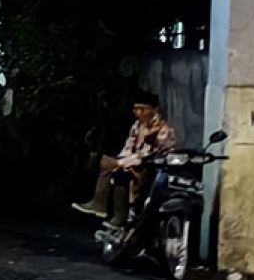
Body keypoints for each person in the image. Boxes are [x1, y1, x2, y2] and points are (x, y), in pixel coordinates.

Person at [72, 90, 177, 228]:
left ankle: (101, 203)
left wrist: (120, 163)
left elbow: (150, 154)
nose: (137, 112)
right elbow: (128, 147)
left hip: (153, 168)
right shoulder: (137, 126)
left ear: (153, 110)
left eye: (141, 109)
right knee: (115, 171)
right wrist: (121, 162)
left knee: (110, 164)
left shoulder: (163, 129)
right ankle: (117, 214)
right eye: (135, 109)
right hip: (134, 164)